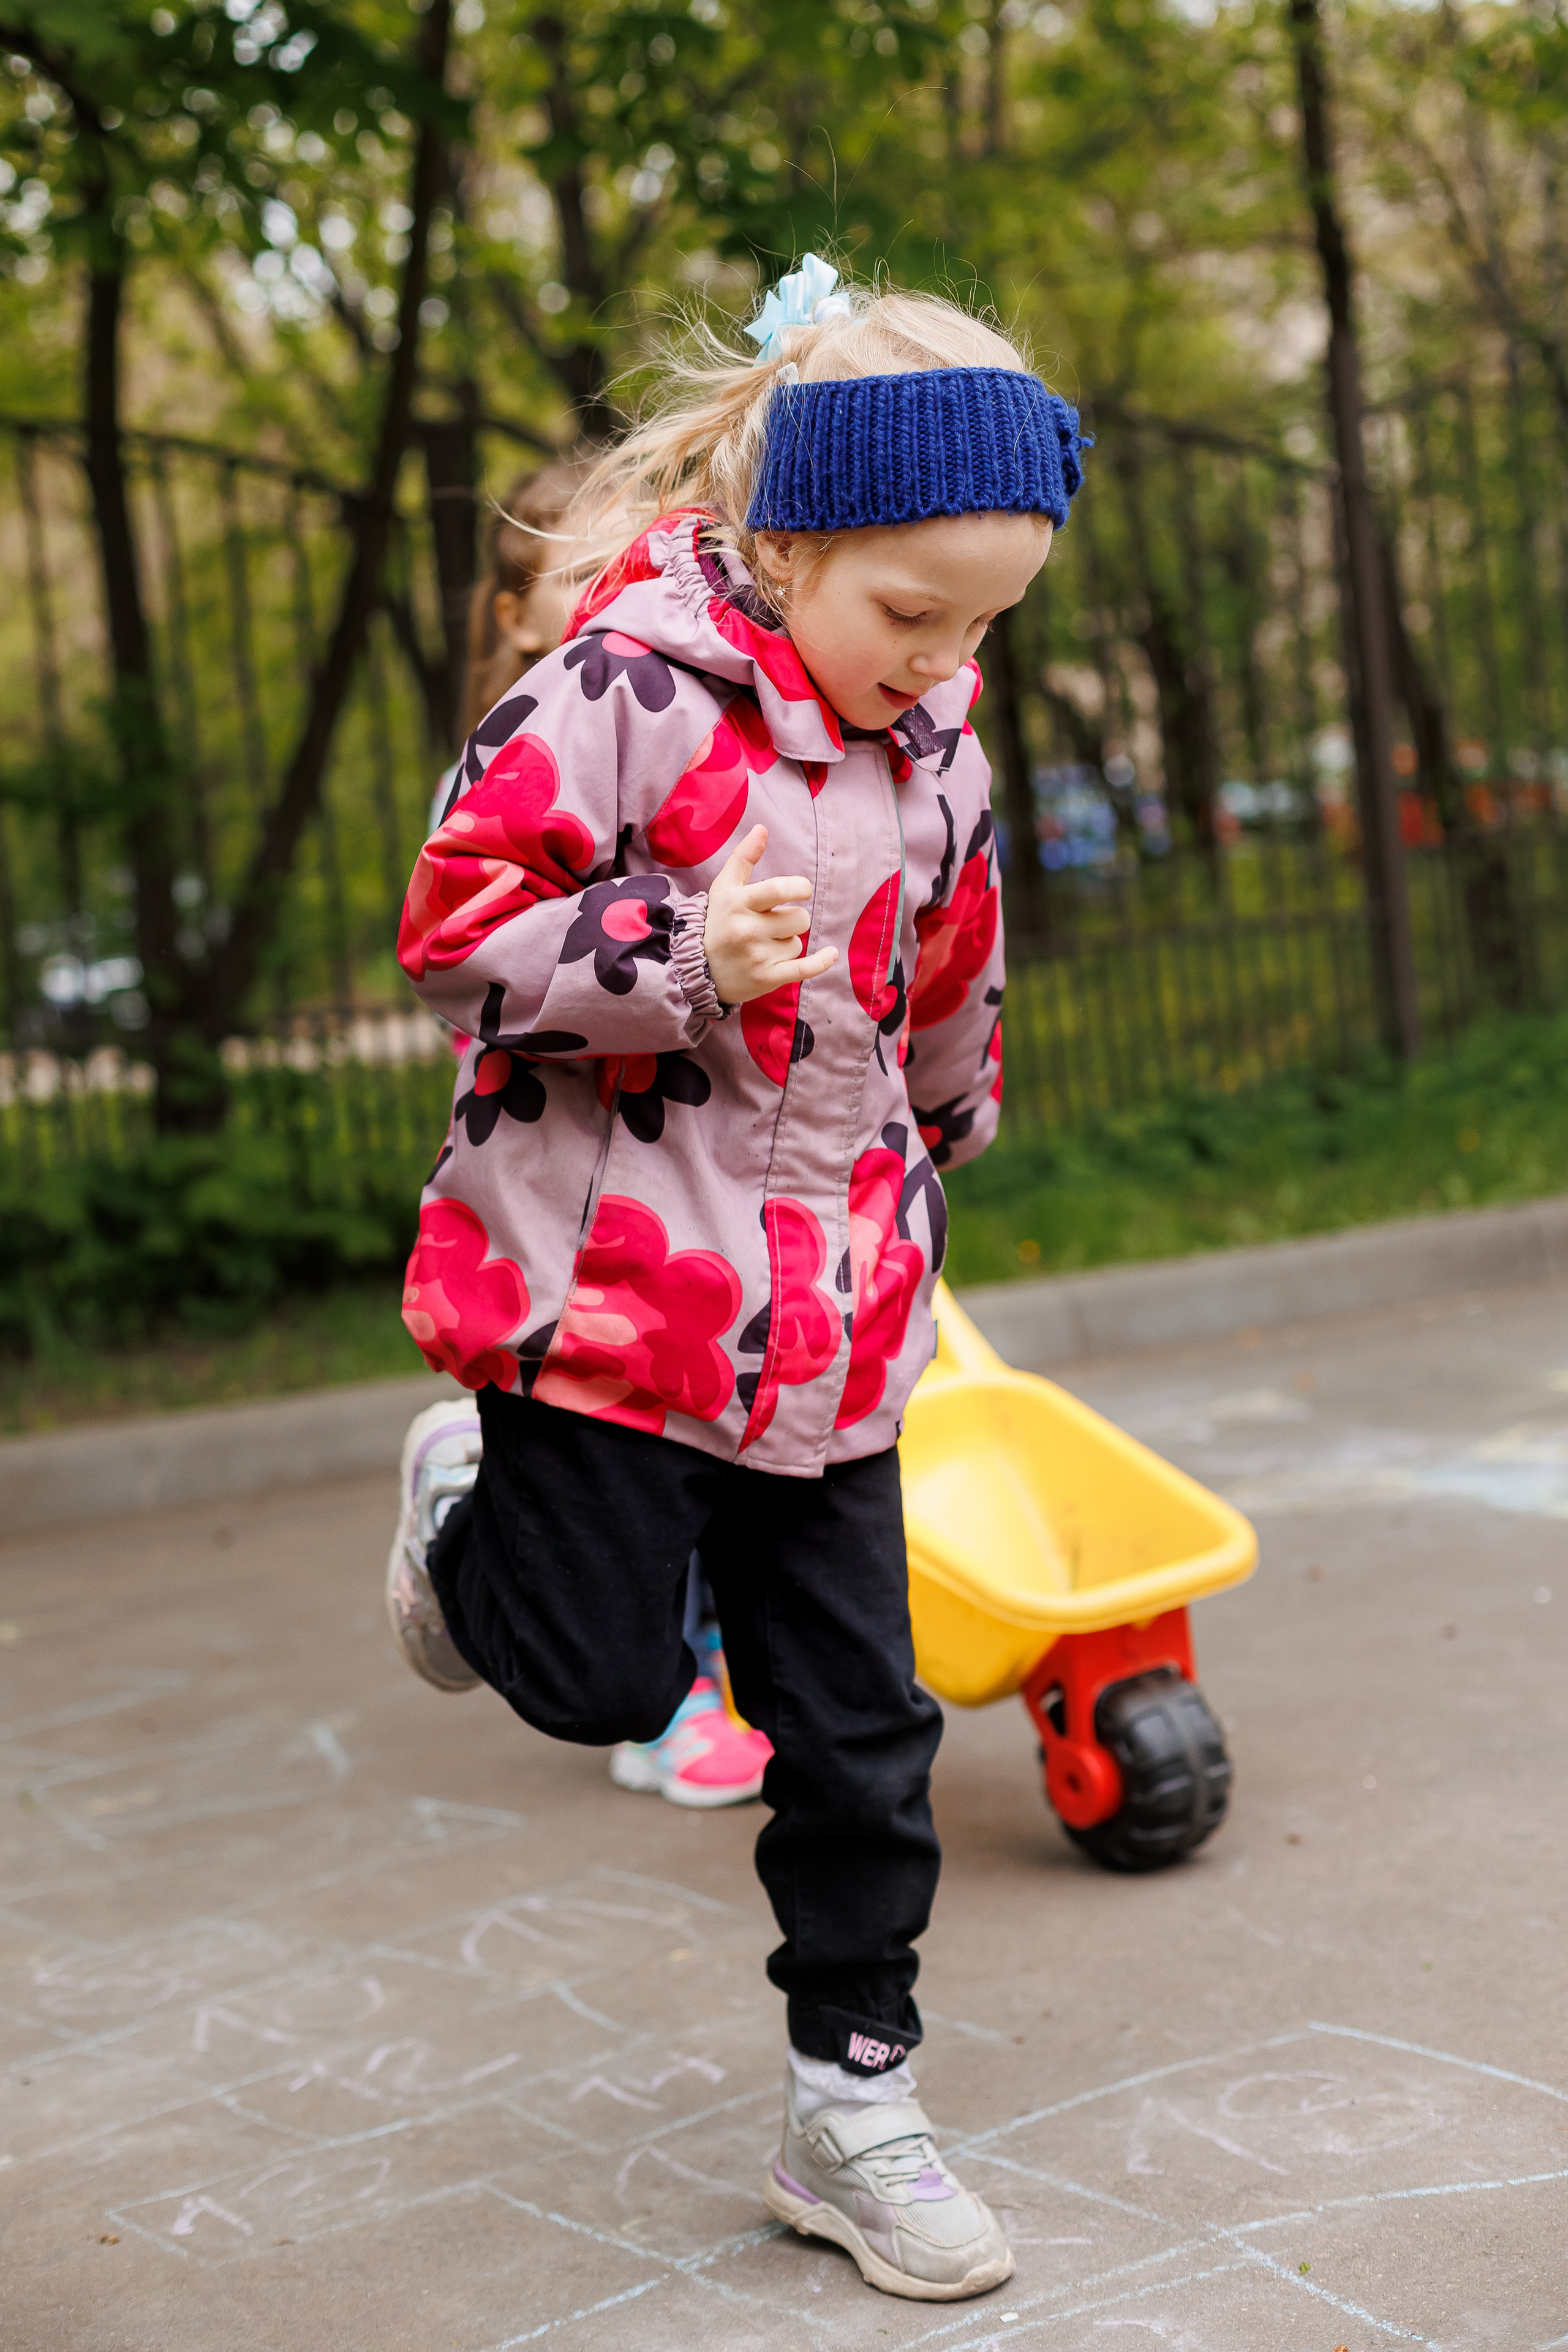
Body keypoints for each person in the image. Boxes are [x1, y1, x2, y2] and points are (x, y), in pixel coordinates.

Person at [385, 254, 1085, 2302]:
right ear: (788, 541)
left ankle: (854, 2111)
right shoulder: (619, 695)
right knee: (600, 1677)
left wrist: (943, 1129)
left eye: (985, 626)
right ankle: (463, 1512)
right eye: (911, 611)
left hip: (832, 1318)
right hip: (616, 1306)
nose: (945, 660)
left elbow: (949, 969)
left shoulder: (936, 747)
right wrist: (677, 967)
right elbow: (450, 936)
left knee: (865, 1732)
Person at [420, 460, 774, 1809]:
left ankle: (715, 1673)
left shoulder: (699, 732)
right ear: (523, 616)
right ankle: (656, 1686)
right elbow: (479, 961)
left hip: (705, 1170)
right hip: (579, 1183)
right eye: (598, 570)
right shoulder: (526, 758)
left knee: (729, 1445)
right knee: (629, 1445)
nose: (643, 594)